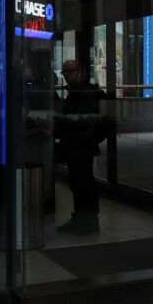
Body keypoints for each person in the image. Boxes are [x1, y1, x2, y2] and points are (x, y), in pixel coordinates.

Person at [55, 59, 107, 235]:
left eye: (70, 70)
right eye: (65, 72)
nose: (67, 75)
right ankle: (84, 219)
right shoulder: (77, 93)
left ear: (79, 71)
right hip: (78, 146)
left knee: (82, 184)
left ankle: (86, 221)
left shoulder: (84, 93)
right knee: (80, 184)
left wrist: (89, 138)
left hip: (80, 147)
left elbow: (92, 122)